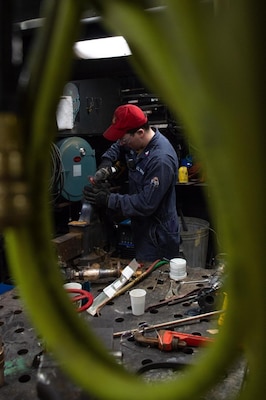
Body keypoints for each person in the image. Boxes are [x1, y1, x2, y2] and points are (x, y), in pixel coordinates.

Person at [83, 104, 180, 262]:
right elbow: (118, 146)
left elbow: (146, 203)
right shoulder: (136, 141)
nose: (121, 142)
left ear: (140, 133)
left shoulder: (160, 160)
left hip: (157, 235)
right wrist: (106, 162)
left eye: (123, 139)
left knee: (154, 279)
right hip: (141, 227)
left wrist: (108, 199)